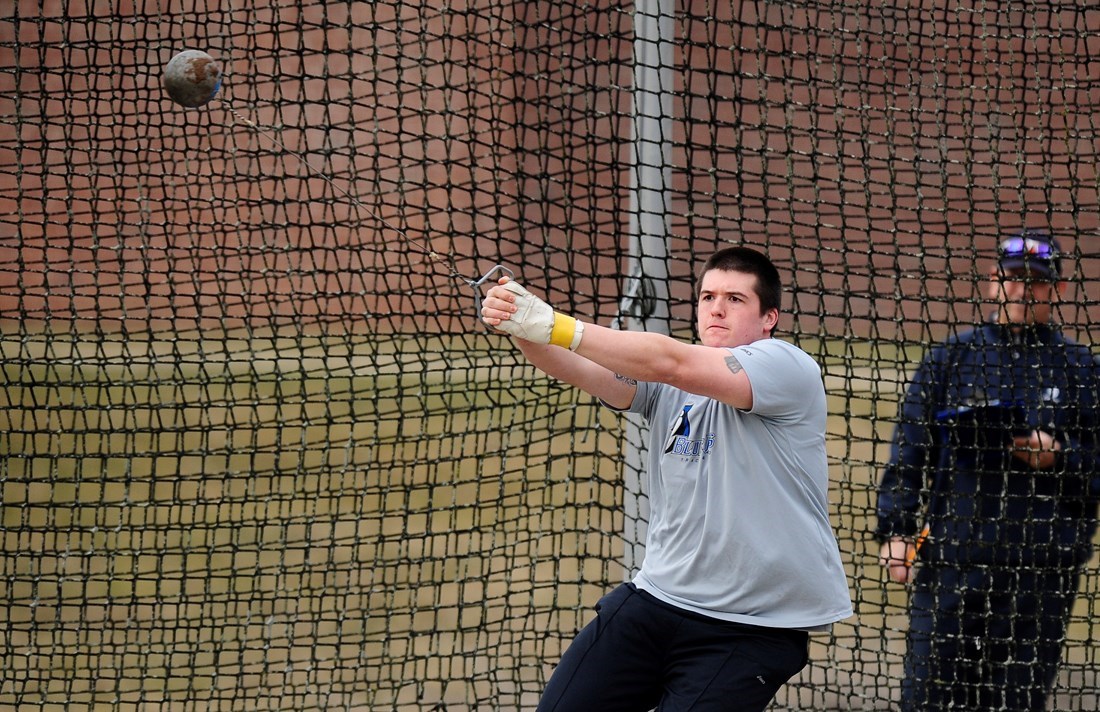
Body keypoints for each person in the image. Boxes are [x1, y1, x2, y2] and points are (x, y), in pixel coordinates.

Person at [480, 245, 853, 712]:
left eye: (735, 299)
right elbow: (576, 367)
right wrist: (521, 325)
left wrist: (556, 324)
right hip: (657, 600)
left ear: (768, 319)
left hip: (751, 625)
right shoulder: (672, 382)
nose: (716, 308)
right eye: (707, 297)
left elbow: (669, 361)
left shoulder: (786, 367)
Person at [875, 229, 1100, 711]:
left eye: (1036, 282)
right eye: (1012, 278)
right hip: (953, 564)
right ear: (992, 282)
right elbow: (910, 452)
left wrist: (1059, 455)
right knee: (927, 698)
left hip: (1039, 575)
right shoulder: (951, 359)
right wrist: (896, 530)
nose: (1023, 290)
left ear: (1057, 291)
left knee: (1015, 703)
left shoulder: (1082, 369)